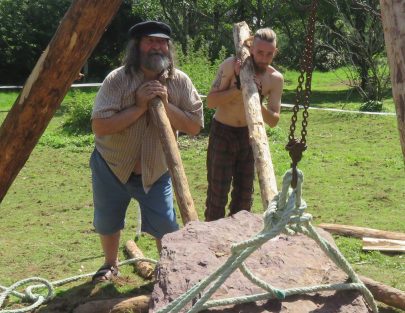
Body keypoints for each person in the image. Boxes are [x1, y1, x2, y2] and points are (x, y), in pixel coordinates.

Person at [89, 21, 203, 282]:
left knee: (165, 226)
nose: (157, 47)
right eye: (150, 41)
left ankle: (167, 271)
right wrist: (139, 106)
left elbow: (195, 126)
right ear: (137, 47)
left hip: (157, 170)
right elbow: (99, 126)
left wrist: (164, 103)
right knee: (107, 221)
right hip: (112, 165)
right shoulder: (117, 80)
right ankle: (110, 264)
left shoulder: (180, 81)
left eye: (162, 42)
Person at [204, 27, 284, 220]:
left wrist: (258, 98)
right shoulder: (231, 65)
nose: (263, 59)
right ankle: (211, 240)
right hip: (223, 133)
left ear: (275, 53)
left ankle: (239, 243)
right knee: (217, 195)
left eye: (269, 54)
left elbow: (273, 120)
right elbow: (210, 101)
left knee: (244, 197)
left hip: (250, 136)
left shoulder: (275, 79)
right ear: (251, 47)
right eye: (259, 53)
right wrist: (238, 87)